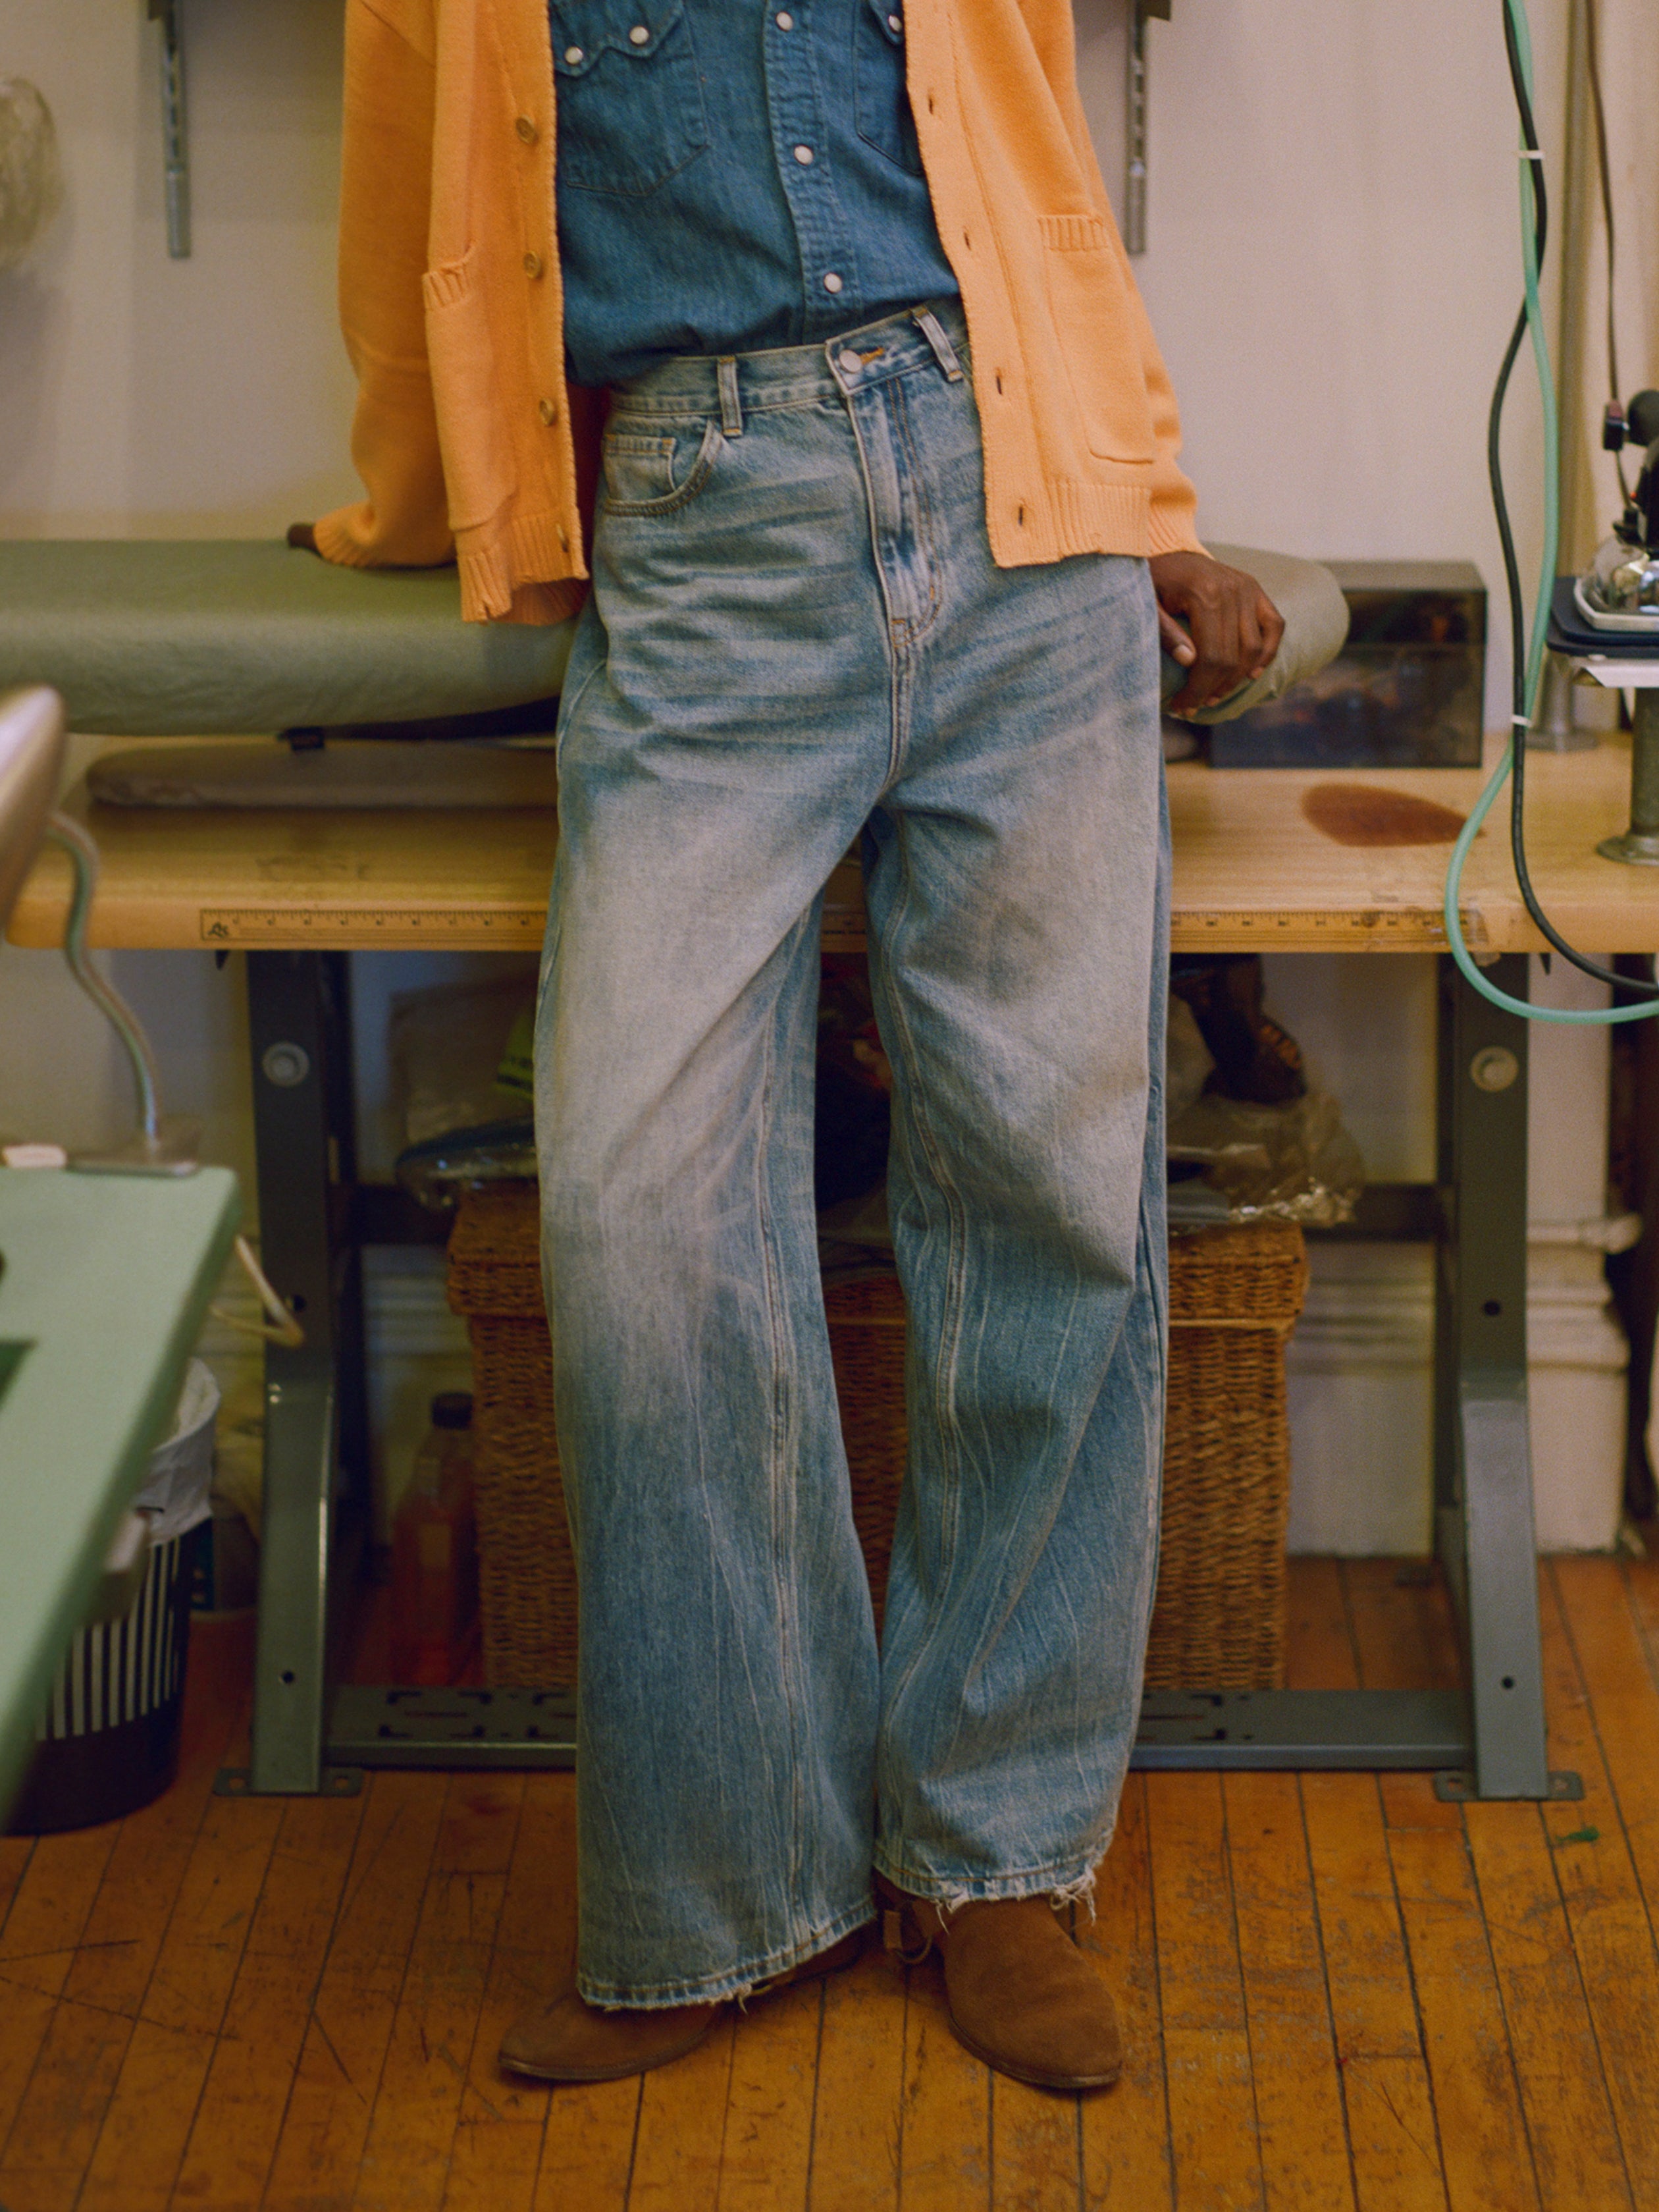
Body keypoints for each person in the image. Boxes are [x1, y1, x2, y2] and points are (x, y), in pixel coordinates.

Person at [300, 0, 1282, 2094]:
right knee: (643, 1222)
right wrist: (422, 508)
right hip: (699, 521)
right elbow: (416, 217)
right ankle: (731, 1885)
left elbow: (1033, 158)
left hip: (1027, 513)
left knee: (1051, 1197)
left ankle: (998, 1852)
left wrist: (1158, 503)